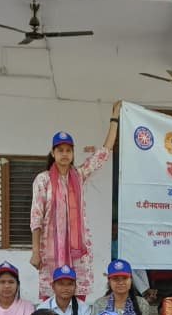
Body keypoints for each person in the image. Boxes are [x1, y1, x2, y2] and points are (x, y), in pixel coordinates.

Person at [30, 101, 121, 300]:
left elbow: (104, 153)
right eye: (60, 150)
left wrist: (114, 118)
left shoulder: (79, 176)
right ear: (53, 153)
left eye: (68, 150)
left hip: (78, 250)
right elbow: (36, 218)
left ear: (72, 154)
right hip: (51, 249)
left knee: (78, 296)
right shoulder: (43, 180)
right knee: (52, 298)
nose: (64, 154)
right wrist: (35, 251)